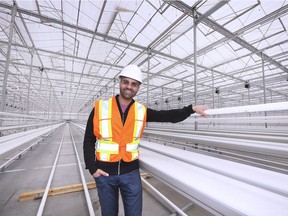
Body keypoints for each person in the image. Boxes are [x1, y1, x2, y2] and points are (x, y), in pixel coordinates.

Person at [83, 64, 208, 216]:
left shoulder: (141, 111)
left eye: (133, 84)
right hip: (104, 174)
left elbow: (168, 116)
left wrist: (190, 109)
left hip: (130, 173)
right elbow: (89, 139)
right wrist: (92, 168)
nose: (129, 87)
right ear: (120, 83)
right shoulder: (100, 107)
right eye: (126, 82)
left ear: (138, 88)